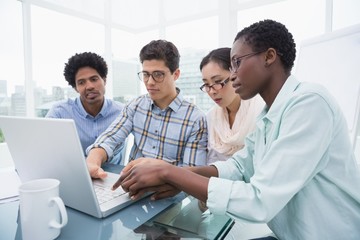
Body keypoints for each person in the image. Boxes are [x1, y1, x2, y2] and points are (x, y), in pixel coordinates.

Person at [114, 20, 360, 239]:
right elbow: (240, 167)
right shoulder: (269, 115)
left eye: (236, 63)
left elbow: (259, 200)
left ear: (269, 56)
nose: (232, 76)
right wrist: (183, 175)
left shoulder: (309, 103)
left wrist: (170, 173)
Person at [86, 40, 208, 179]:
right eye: (145, 74)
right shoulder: (136, 105)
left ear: (176, 74)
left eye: (158, 74)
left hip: (169, 194)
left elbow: (191, 174)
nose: (150, 82)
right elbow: (109, 138)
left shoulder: (195, 119)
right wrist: (92, 163)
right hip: (129, 185)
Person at [46, 52, 124, 164]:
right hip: (76, 174)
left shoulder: (122, 112)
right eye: (81, 82)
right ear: (76, 88)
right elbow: (43, 145)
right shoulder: (59, 112)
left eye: (94, 79)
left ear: (104, 80)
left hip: (114, 176)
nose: (90, 86)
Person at [199, 47, 263, 164]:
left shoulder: (260, 112)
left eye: (218, 82)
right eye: (206, 84)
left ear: (236, 74)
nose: (212, 91)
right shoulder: (211, 118)